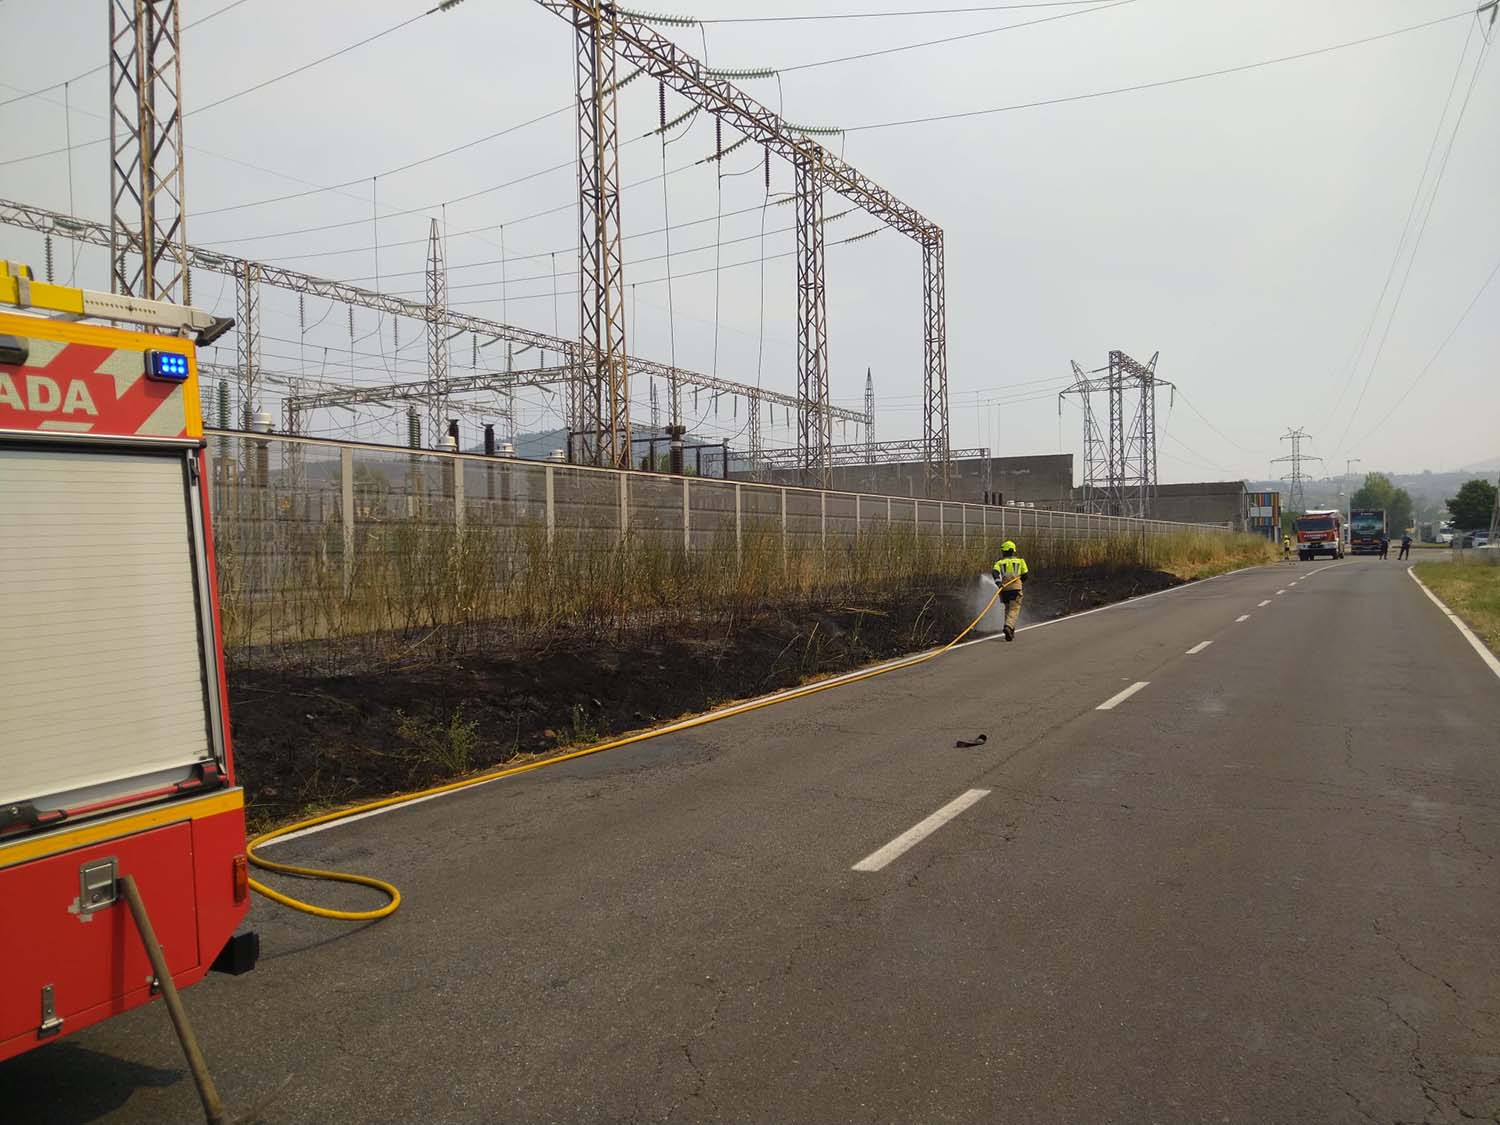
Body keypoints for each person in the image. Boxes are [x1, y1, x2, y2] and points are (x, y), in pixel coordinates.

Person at [991, 540, 1029, 642]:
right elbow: (1025, 575)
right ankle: (1008, 626)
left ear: (1004, 552)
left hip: (1004, 589)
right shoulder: (1020, 561)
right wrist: (1020, 582)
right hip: (1016, 589)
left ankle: (1010, 632)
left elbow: (994, 572)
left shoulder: (999, 562)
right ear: (1013, 551)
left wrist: (998, 583)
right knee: (1014, 609)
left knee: (1007, 609)